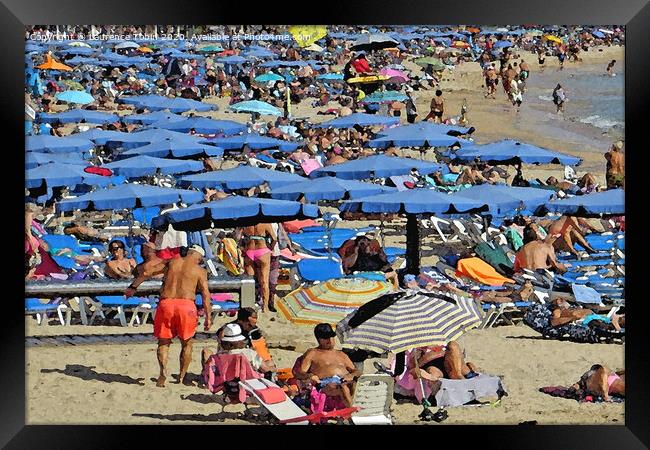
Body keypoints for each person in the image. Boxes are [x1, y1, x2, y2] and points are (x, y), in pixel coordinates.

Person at [125, 244, 212, 387]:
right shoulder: (199, 270)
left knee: (163, 343)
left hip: (166, 304)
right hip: (186, 305)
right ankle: (181, 376)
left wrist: (132, 287)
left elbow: (147, 273)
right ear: (199, 257)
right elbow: (206, 295)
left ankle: (162, 372)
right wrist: (208, 317)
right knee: (187, 343)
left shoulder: (172, 261)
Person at [295, 323, 362, 408]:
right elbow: (300, 372)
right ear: (319, 339)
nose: (330, 340)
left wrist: (351, 375)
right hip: (325, 384)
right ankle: (353, 412)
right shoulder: (313, 353)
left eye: (331, 337)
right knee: (342, 387)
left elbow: (356, 371)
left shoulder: (341, 354)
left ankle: (361, 411)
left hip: (344, 381)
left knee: (354, 385)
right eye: (326, 338)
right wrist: (310, 376)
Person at [202, 323, 275, 375]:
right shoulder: (249, 353)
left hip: (225, 379)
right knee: (270, 363)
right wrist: (273, 369)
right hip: (245, 380)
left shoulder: (221, 354)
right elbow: (265, 370)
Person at [238, 223, 277, 313]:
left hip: (250, 251)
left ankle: (248, 306)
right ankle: (265, 307)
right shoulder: (265, 224)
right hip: (262, 251)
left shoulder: (247, 223)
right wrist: (271, 247)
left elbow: (238, 238)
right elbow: (274, 239)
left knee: (249, 281)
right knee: (264, 281)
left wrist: (243, 248)